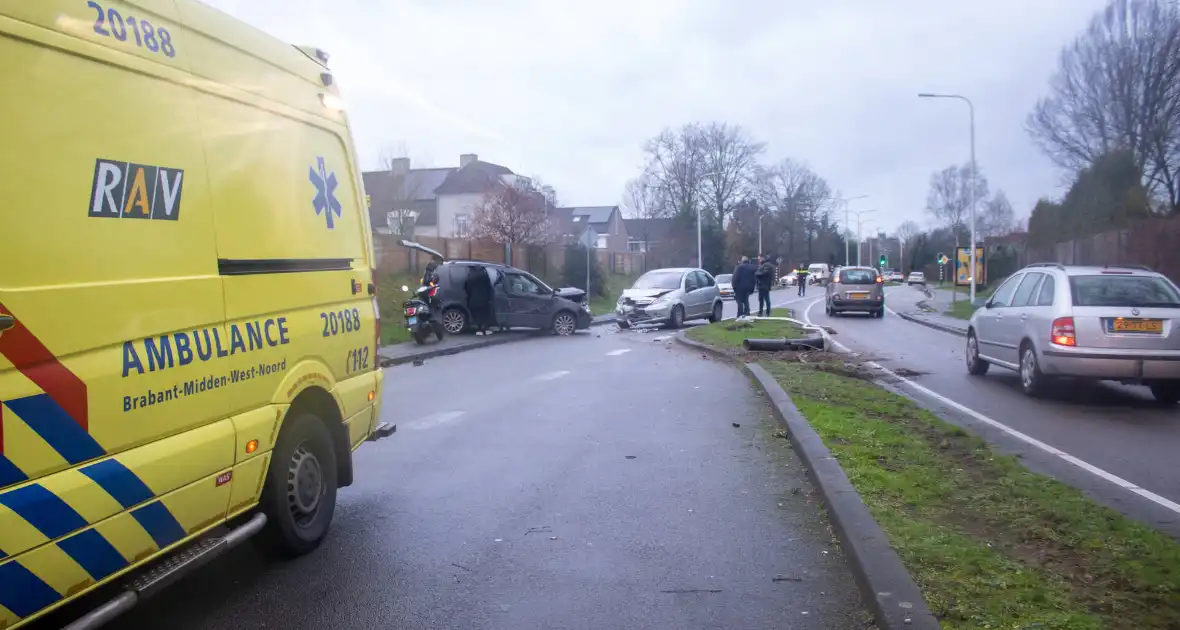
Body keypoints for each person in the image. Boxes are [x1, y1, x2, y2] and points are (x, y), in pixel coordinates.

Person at [464, 265, 496, 336]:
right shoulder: (484, 276)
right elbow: (489, 287)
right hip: (484, 299)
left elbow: (467, 288)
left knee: (477, 315)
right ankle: (485, 329)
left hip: (473, 300)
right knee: (484, 315)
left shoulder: (470, 277)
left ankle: (479, 329)